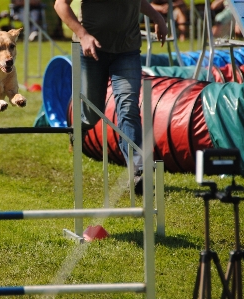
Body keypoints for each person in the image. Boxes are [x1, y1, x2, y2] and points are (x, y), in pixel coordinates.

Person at [54, 0, 167, 195]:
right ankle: (77, 128)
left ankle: (137, 170)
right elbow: (60, 5)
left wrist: (157, 16)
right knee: (91, 113)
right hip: (90, 49)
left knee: (128, 106)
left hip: (127, 50)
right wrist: (83, 35)